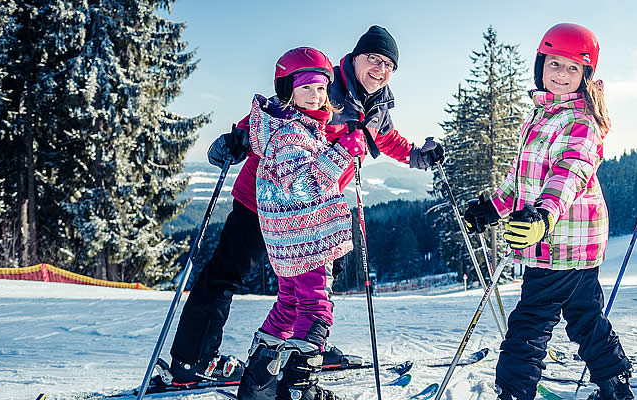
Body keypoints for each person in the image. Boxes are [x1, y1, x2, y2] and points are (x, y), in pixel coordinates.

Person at [168, 26, 443, 387]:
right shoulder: (325, 82)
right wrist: (237, 136)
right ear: (355, 57)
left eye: (389, 64)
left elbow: (385, 137)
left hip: (316, 210)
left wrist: (416, 155)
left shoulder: (377, 101)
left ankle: (304, 342)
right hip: (265, 200)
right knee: (226, 272)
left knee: (319, 280)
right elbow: (275, 111)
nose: (380, 69)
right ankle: (191, 360)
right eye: (373, 59)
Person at [462, 23, 633, 400]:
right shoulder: (542, 115)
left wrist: (543, 216)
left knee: (529, 323)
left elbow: (569, 174)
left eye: (573, 68)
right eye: (555, 64)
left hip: (561, 242)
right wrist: (493, 206)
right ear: (540, 65)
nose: (561, 74)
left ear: (586, 76)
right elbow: (521, 177)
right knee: (585, 316)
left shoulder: (581, 121)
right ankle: (614, 384)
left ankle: (513, 391)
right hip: (576, 244)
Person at [230, 48, 365, 400]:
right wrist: (343, 152)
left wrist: (342, 150)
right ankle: (299, 390)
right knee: (316, 308)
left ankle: (259, 381)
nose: (317, 96)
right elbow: (304, 183)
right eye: (306, 88)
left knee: (289, 304)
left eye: (321, 88)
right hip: (306, 239)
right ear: (288, 89)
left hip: (292, 239)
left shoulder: (292, 127)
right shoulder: (291, 134)